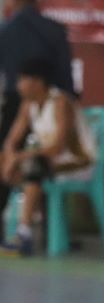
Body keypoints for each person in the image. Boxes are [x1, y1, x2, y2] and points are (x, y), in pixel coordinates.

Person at [1, 58, 94, 255]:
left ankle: (24, 234)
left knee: (32, 166)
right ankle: (16, 228)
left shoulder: (61, 102)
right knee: (7, 161)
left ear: (37, 81)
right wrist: (9, 158)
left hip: (77, 163)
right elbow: (12, 140)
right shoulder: (29, 105)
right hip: (49, 163)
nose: (18, 85)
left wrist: (17, 159)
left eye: (22, 80)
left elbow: (57, 148)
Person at [0, 0, 74, 235]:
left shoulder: (7, 30)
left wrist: (15, 155)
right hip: (28, 108)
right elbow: (67, 77)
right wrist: (12, 154)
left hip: (55, 146)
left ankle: (28, 230)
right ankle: (45, 231)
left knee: (34, 164)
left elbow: (56, 147)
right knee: (11, 160)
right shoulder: (53, 29)